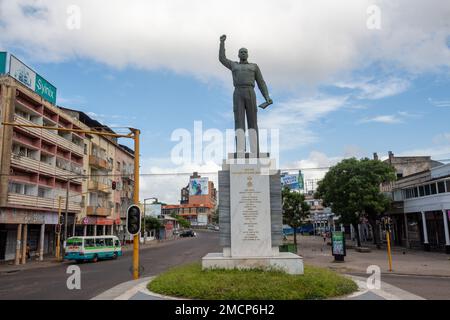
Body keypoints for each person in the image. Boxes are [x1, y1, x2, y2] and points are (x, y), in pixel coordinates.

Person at [219, 34, 273, 155]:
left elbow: (261, 83)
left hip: (250, 91)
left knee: (253, 123)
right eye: (241, 52)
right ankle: (240, 151)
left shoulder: (254, 66)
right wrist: (222, 43)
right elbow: (222, 59)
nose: (243, 53)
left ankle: (255, 151)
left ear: (247, 54)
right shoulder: (234, 65)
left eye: (245, 52)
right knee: (239, 123)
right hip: (238, 92)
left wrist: (267, 96)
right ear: (238, 55)